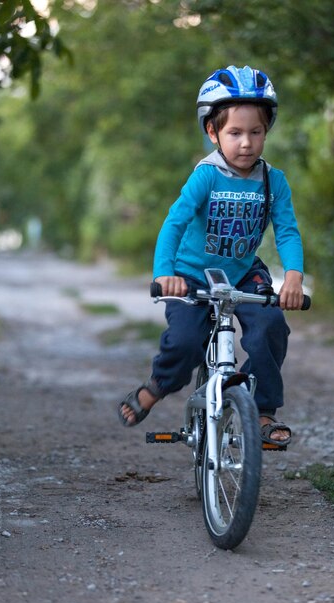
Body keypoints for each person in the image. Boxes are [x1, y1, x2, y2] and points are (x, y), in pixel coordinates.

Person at [118, 65, 304, 447]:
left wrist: (295, 276)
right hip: (192, 274)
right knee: (185, 340)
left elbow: (286, 230)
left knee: (271, 327)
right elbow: (174, 223)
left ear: (267, 130)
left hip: (241, 272)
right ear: (213, 132)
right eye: (235, 133)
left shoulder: (274, 181)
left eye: (256, 132)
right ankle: (157, 386)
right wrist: (164, 272)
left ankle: (263, 408)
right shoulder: (206, 175)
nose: (246, 143)